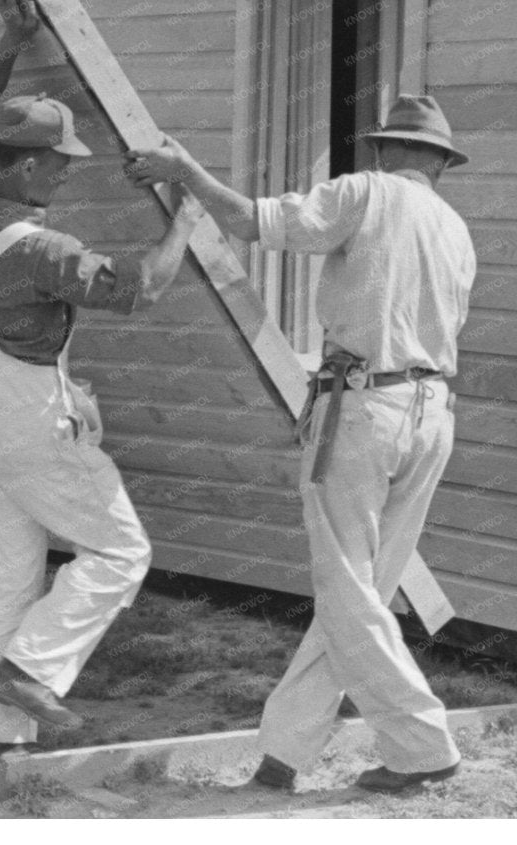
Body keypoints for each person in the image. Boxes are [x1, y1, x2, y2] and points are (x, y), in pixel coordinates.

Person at [123, 94, 476, 796]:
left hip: (362, 406)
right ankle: (284, 752)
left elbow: (253, 221)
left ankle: (423, 744)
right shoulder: (455, 227)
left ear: (380, 150)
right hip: (431, 410)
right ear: (440, 162)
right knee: (359, 595)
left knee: (347, 589)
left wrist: (184, 169)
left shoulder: (363, 191)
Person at [0, 0, 202, 790]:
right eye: (58, 164)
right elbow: (140, 288)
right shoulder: (40, 251)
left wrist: (11, 41)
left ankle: (0, 746)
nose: (66, 175)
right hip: (30, 427)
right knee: (123, 550)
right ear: (21, 170)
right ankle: (31, 673)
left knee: (10, 577)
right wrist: (187, 205)